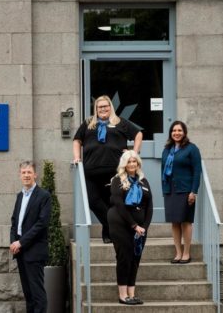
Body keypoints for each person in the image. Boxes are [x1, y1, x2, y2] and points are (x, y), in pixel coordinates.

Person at [73, 95, 143, 243]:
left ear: (110, 107)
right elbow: (77, 140)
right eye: (100, 107)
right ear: (96, 109)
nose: (103, 109)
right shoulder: (88, 124)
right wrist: (77, 157)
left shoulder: (120, 123)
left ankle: (107, 233)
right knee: (93, 201)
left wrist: (134, 153)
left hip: (114, 172)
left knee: (112, 202)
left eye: (106, 106)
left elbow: (138, 134)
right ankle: (113, 225)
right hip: (91, 171)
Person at [107, 151, 153, 305]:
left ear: (138, 163)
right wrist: (134, 226)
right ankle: (122, 295)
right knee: (124, 257)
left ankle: (131, 294)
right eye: (129, 161)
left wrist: (144, 227)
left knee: (135, 258)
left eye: (135, 161)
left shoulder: (143, 181)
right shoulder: (117, 180)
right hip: (120, 223)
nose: (132, 164)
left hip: (140, 228)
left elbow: (150, 206)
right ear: (124, 164)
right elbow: (119, 205)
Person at [9, 161, 52, 313]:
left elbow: (42, 224)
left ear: (35, 174)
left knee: (37, 294)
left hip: (34, 251)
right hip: (20, 251)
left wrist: (20, 242)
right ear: (19, 175)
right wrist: (13, 241)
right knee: (28, 294)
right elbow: (14, 221)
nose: (26, 175)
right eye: (23, 172)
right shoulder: (20, 196)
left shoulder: (44, 196)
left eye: (29, 172)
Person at [162, 120, 202, 264]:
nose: (176, 133)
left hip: (185, 190)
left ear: (184, 132)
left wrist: (194, 191)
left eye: (179, 130)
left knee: (186, 221)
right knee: (174, 222)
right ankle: (178, 253)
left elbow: (197, 171)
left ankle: (186, 253)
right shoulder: (167, 149)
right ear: (170, 133)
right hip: (170, 190)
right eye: (174, 130)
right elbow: (163, 170)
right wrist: (164, 189)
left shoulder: (192, 149)